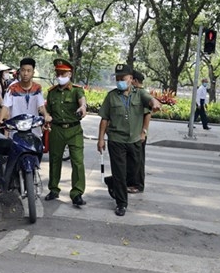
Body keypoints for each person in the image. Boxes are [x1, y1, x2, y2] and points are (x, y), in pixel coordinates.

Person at [97, 64, 161, 216]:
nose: (120, 81)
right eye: (117, 79)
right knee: (120, 172)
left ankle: (113, 181)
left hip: (134, 140)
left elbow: (150, 101)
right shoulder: (111, 96)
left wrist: (155, 104)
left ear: (131, 79)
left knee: (133, 172)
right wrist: (101, 139)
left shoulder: (140, 94)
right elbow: (104, 119)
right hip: (116, 140)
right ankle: (121, 203)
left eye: (123, 78)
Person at [44, 58, 88, 206]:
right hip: (57, 129)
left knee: (77, 161)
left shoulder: (76, 90)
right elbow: (48, 111)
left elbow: (82, 101)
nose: (60, 76)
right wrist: (45, 119)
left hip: (74, 130)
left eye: (63, 73)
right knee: (55, 160)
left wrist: (83, 108)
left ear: (70, 74)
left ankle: (77, 193)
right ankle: (54, 189)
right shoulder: (52, 93)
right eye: (58, 73)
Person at [0, 57, 51, 137]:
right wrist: (0, 120)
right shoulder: (12, 88)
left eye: (29, 71)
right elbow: (6, 106)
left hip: (33, 130)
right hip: (15, 130)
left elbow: (41, 106)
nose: (25, 73)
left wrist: (46, 115)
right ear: (19, 71)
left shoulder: (37, 88)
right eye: (23, 70)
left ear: (33, 73)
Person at [128, 69, 150, 193]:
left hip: (139, 134)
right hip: (132, 134)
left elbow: (147, 115)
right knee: (132, 160)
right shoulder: (134, 93)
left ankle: (138, 185)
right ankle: (131, 182)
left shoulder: (142, 94)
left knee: (138, 160)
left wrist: (143, 132)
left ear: (135, 81)